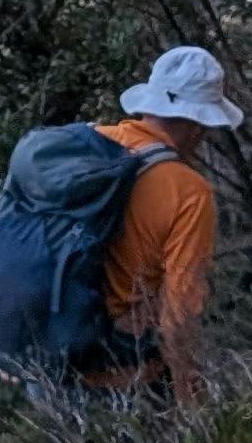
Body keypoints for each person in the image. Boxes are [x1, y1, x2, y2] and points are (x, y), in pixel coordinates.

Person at [83, 46, 239, 406]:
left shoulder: (89, 144)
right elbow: (178, 315)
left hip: (49, 360)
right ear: (198, 123)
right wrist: (191, 401)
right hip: (124, 375)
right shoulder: (188, 192)